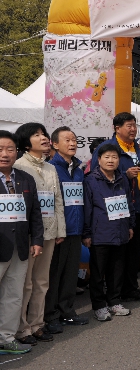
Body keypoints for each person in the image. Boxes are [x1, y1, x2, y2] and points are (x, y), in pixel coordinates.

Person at [13, 123, 66, 345]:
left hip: (50, 231)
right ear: (26, 143)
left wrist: (60, 229)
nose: (43, 137)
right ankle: (21, 328)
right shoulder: (18, 166)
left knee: (42, 281)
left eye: (44, 134)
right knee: (24, 283)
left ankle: (37, 324)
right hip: (28, 234)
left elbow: (57, 201)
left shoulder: (50, 167)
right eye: (37, 135)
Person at [91, 113, 140, 303]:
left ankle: (130, 288)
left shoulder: (137, 149)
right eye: (129, 126)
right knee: (116, 256)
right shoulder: (107, 148)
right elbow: (96, 177)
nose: (133, 129)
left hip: (135, 207)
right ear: (117, 128)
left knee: (134, 252)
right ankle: (111, 293)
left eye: (134, 125)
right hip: (112, 211)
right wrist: (125, 175)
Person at [0, 130, 43, 355]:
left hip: (20, 246)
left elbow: (35, 212)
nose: (5, 154)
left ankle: (6, 338)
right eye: (0, 149)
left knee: (14, 295)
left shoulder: (24, 178)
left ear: (17, 151)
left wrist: (36, 240)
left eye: (10, 149)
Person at [44, 127, 88, 335]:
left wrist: (84, 230)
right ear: (54, 144)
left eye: (74, 140)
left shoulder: (78, 170)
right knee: (54, 275)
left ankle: (67, 310)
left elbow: (82, 201)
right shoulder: (51, 169)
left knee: (71, 274)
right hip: (58, 232)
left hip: (76, 230)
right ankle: (50, 315)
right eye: (67, 140)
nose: (72, 143)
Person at [83, 144, 135, 321]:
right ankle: (99, 305)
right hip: (100, 234)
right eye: (107, 157)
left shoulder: (122, 179)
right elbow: (87, 209)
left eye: (114, 157)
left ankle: (114, 301)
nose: (111, 160)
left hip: (120, 232)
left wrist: (130, 225)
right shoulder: (90, 180)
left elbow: (129, 204)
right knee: (98, 273)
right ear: (99, 160)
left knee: (117, 270)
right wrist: (87, 233)